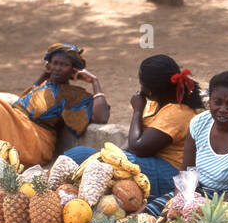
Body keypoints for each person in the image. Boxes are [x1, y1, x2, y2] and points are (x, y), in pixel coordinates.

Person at [145, 71, 228, 220]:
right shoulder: (200, 123)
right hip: (203, 193)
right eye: (217, 102)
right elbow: (187, 171)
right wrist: (181, 199)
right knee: (152, 212)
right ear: (209, 100)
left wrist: (201, 207)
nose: (222, 109)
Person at [66, 55, 203, 198]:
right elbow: (130, 146)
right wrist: (109, 156)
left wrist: (137, 111)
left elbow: (139, 148)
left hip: (167, 174)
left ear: (149, 90)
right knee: (78, 154)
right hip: (145, 163)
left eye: (141, 83)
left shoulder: (178, 112)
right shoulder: (155, 104)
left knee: (102, 168)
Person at [0, 43, 110, 168]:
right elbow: (24, 100)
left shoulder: (71, 93)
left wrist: (95, 82)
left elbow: (101, 117)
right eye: (54, 63)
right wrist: (44, 74)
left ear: (73, 70)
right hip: (18, 125)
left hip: (34, 139)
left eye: (64, 65)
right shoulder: (44, 85)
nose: (57, 68)